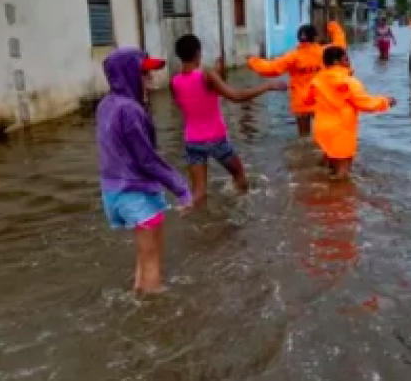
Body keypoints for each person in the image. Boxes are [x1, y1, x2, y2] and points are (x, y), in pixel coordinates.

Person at [96, 48, 192, 293]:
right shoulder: (131, 110)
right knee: (152, 262)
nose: (151, 78)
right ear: (128, 75)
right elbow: (147, 160)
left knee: (143, 257)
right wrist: (180, 188)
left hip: (113, 193)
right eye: (144, 73)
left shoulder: (106, 105)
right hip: (136, 193)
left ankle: (139, 293)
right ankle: (155, 312)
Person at [171, 34, 287, 204]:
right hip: (216, 139)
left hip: (192, 141)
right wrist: (268, 85)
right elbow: (237, 96)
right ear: (198, 53)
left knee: (199, 193)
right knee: (240, 177)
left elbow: (190, 99)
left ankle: (186, 213)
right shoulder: (207, 75)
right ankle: (243, 210)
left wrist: (216, 75)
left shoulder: (175, 82)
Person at [303, 46, 396, 178]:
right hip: (341, 131)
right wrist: (386, 102)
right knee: (343, 170)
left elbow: (306, 99)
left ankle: (319, 186)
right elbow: (365, 104)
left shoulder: (316, 80)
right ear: (336, 61)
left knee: (329, 161)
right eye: (346, 58)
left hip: (321, 129)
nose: (349, 61)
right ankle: (339, 195)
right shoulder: (349, 82)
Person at [248, 21, 347, 137]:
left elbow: (271, 69)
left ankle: (303, 154)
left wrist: (252, 61)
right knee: (324, 135)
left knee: (303, 137)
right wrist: (334, 27)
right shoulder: (325, 52)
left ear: (299, 39)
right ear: (315, 37)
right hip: (321, 100)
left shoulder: (292, 56)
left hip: (301, 102)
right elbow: (340, 45)